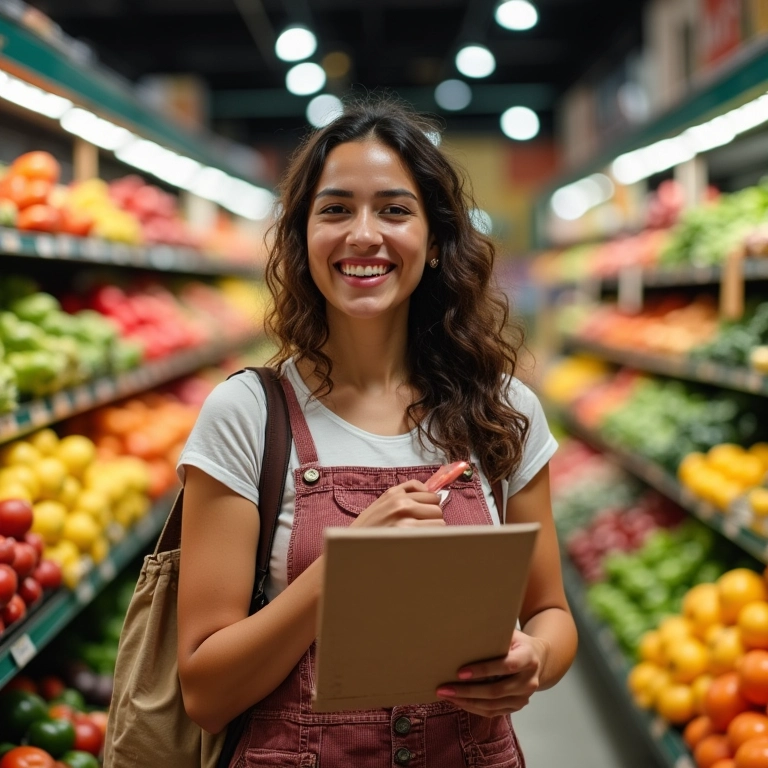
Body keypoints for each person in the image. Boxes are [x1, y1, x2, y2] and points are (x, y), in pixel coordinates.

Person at [176, 97, 577, 767]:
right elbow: (206, 692)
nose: (364, 235)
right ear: (302, 237)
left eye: (394, 210)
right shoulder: (248, 414)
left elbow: (551, 614)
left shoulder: (503, 411)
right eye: (335, 210)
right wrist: (343, 572)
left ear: (437, 237)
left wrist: (534, 659)